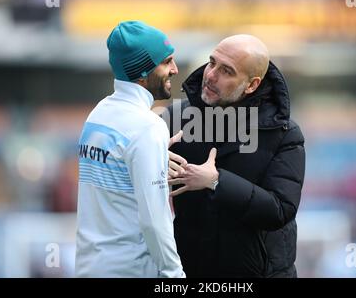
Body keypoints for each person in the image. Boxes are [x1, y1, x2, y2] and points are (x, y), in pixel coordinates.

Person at [163, 35, 306, 277]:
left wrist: (216, 181)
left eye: (227, 71)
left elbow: (280, 210)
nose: (210, 75)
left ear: (251, 85)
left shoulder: (283, 133)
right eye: (212, 62)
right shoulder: (175, 118)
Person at [75, 21, 185, 278]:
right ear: (143, 72)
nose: (174, 69)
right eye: (166, 61)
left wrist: (152, 157)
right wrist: (175, 274)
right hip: (130, 270)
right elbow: (154, 222)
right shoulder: (148, 127)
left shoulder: (99, 114)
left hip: (89, 268)